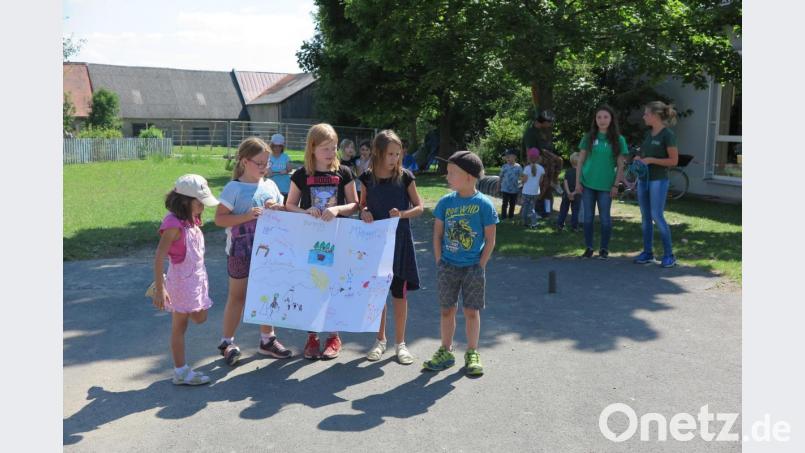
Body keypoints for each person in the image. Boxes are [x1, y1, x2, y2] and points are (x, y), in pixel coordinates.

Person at [215, 137, 292, 366]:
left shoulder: (270, 185)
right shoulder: (234, 188)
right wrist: (247, 215)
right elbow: (219, 219)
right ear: (245, 161)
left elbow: (283, 211)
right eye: (259, 163)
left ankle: (267, 340)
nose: (264, 167)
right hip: (240, 251)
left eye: (266, 163)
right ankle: (227, 342)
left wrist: (278, 208)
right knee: (237, 297)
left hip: (269, 252)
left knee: (267, 293)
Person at [285, 123, 360, 359]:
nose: (331, 153)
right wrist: (305, 212)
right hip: (309, 242)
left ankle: (333, 336)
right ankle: (312, 336)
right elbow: (289, 205)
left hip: (338, 240)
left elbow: (355, 205)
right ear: (313, 148)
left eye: (334, 148)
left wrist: (337, 209)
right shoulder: (300, 174)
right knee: (311, 286)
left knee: (334, 286)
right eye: (326, 148)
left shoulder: (344, 173)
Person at [424, 150, 498, 376]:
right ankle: (445, 350)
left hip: (473, 267)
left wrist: (480, 264)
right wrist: (439, 260)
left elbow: (490, 239)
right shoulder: (446, 202)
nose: (447, 177)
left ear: (469, 176)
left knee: (471, 311)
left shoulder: (484, 204)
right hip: (448, 265)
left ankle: (472, 352)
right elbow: (437, 234)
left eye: (452, 173)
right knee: (447, 310)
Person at [359, 130, 424, 365]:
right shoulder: (366, 177)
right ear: (378, 153)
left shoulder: (405, 176)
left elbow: (420, 207)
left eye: (398, 154)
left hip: (400, 244)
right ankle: (380, 340)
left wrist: (402, 214)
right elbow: (362, 204)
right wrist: (364, 212)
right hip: (376, 244)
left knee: (399, 294)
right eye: (390, 154)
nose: (394, 158)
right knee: (377, 295)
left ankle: (401, 344)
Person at [152, 174, 219, 385]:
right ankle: (180, 371)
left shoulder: (191, 219)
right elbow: (159, 256)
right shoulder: (173, 225)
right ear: (184, 201)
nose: (203, 207)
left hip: (197, 278)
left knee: (200, 318)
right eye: (199, 202)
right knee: (180, 325)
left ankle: (180, 370)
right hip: (182, 282)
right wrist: (161, 288)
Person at [573, 105, 628, 260]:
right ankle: (589, 248)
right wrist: (577, 183)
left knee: (605, 218)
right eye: (599, 117)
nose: (602, 120)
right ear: (595, 120)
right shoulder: (589, 137)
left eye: (605, 117)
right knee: (588, 218)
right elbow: (580, 161)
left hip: (606, 186)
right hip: (587, 184)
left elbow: (620, 165)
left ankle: (604, 249)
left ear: (611, 119)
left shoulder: (618, 139)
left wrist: (616, 185)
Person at [633, 101, 680, 268]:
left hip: (658, 180)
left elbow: (674, 161)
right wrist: (639, 159)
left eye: (646, 113)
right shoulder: (649, 133)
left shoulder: (667, 135)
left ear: (655, 116)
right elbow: (644, 153)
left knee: (656, 215)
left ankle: (669, 255)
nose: (644, 116)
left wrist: (651, 160)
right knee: (645, 217)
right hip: (644, 180)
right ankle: (648, 253)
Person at [520, 147, 544, 229]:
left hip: (526, 191)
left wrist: (521, 181)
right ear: (538, 158)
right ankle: (533, 223)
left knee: (525, 207)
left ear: (529, 158)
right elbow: (541, 180)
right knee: (532, 208)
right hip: (535, 192)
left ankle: (526, 222)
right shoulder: (541, 168)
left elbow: (524, 180)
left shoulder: (526, 168)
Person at [556, 152, 581, 232]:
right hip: (577, 194)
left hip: (566, 194)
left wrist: (568, 193)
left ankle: (560, 224)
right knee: (575, 210)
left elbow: (565, 182)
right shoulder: (581, 172)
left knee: (563, 209)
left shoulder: (568, 171)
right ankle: (574, 227)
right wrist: (573, 193)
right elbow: (580, 185)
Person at [496, 149, 523, 220]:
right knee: (504, 203)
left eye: (509, 156)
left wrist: (521, 184)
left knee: (512, 204)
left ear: (514, 157)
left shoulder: (518, 167)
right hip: (505, 188)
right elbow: (500, 177)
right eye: (506, 157)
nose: (507, 158)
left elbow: (522, 177)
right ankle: (503, 216)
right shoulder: (504, 166)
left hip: (514, 189)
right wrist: (498, 186)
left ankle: (511, 216)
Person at [268, 133, 293, 199]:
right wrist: (268, 170)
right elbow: (265, 169)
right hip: (272, 188)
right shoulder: (268, 156)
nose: (277, 148)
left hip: (284, 188)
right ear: (271, 146)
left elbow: (290, 168)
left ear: (282, 147)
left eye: (280, 146)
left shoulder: (285, 156)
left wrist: (287, 170)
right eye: (275, 146)